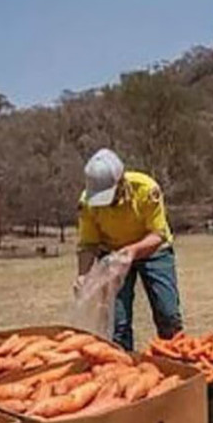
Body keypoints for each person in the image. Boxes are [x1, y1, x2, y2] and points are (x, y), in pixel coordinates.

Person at [76, 148, 183, 351]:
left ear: (121, 181)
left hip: (153, 251)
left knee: (168, 314)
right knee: (118, 323)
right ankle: (124, 363)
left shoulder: (146, 189)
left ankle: (176, 358)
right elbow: (88, 243)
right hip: (113, 255)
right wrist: (83, 275)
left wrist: (132, 251)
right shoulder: (87, 203)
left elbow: (158, 235)